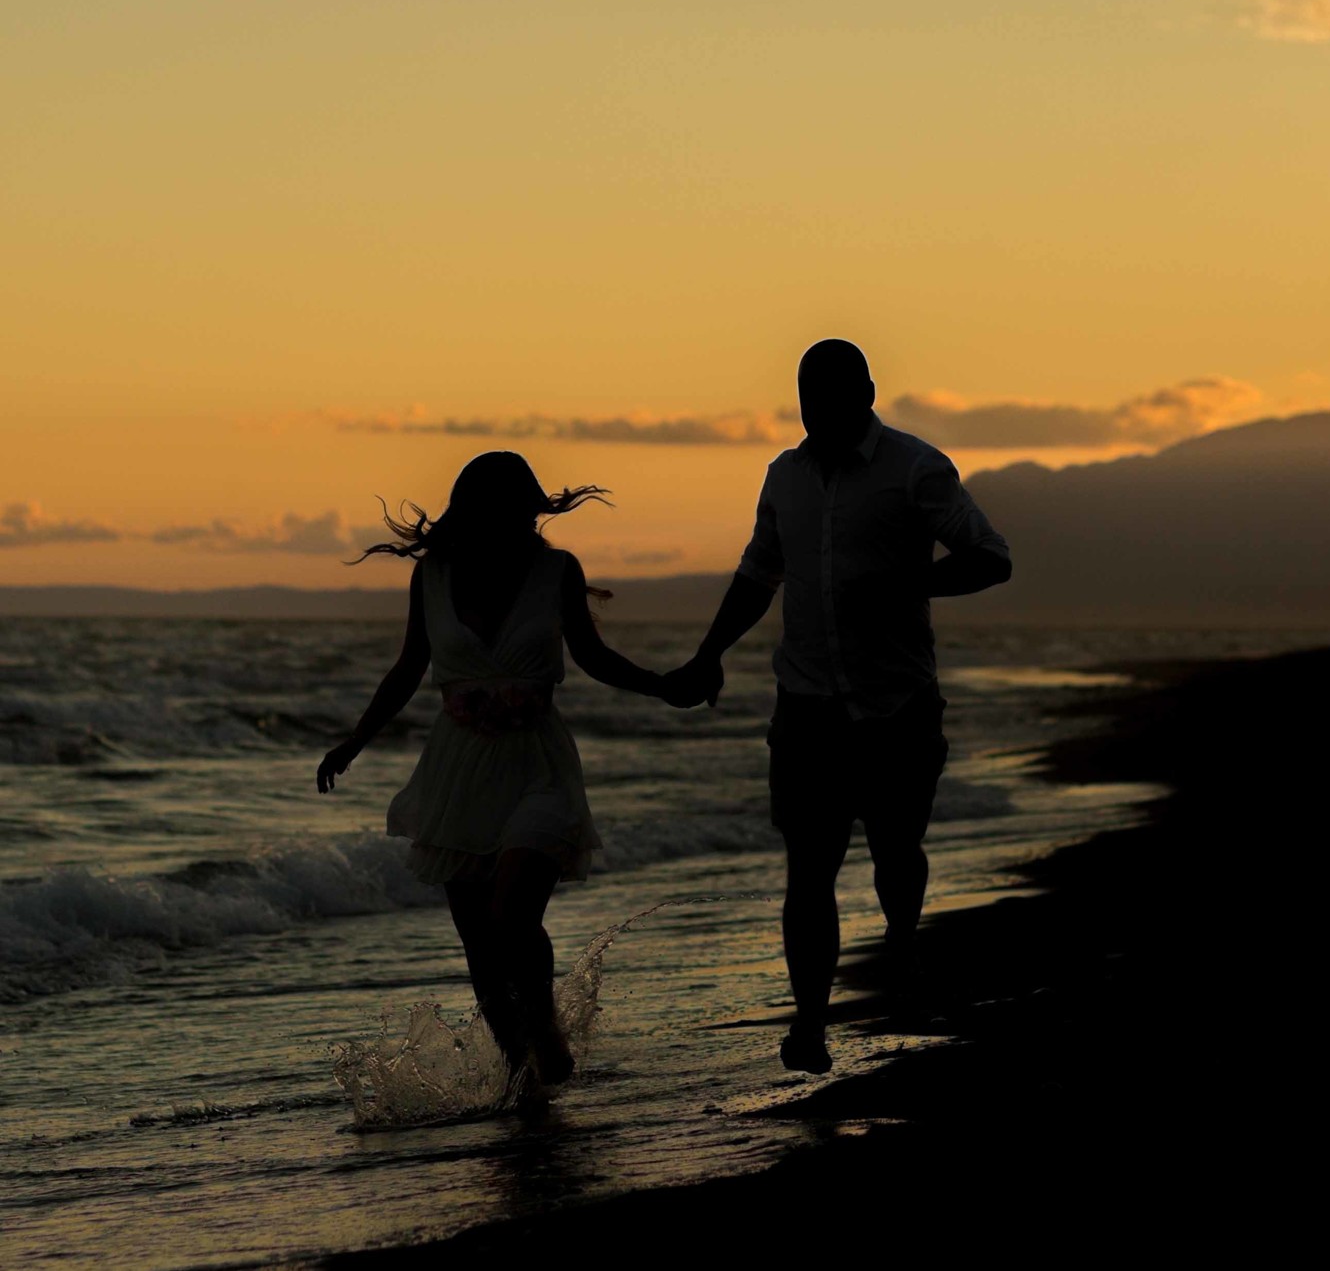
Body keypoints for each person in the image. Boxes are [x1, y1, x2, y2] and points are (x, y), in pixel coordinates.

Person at [664, 339, 1012, 1074]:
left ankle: (900, 935)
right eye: (805, 394)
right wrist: (709, 651)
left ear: (868, 392)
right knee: (809, 869)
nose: (815, 408)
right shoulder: (783, 477)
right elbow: (759, 574)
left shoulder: (916, 467)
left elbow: (989, 555)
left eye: (830, 393)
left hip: (897, 705)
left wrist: (912, 588)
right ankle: (811, 1023)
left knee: (895, 851)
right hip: (808, 706)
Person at [317, 451, 677, 1094]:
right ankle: (522, 1076)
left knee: (511, 916)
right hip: (457, 772)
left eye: (515, 505)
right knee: (480, 946)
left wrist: (664, 686)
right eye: (490, 505)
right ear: (467, 507)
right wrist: (354, 740)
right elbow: (407, 669)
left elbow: (592, 656)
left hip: (538, 766)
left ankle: (546, 1039)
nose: (506, 518)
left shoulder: (555, 571)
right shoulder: (432, 576)